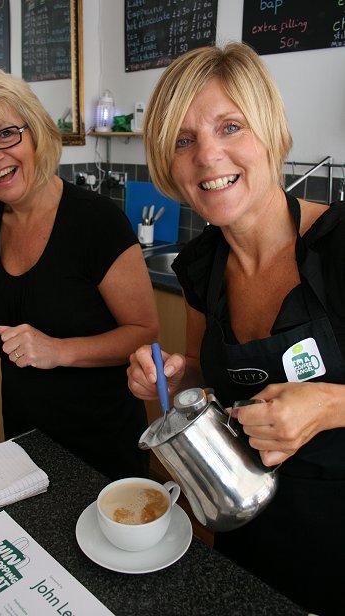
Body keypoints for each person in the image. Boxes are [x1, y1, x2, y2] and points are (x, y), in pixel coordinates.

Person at [127, 42, 345, 616]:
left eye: (230, 126)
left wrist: (328, 404)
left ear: (270, 131)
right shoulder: (200, 267)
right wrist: (172, 374)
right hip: (248, 525)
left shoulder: (340, 246)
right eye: (183, 139)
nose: (207, 156)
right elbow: (206, 372)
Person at [0, 64, 159, 481]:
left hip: (104, 443)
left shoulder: (96, 222)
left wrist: (58, 350)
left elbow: (143, 331)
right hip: (24, 439)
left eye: (4, 134)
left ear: (33, 131)